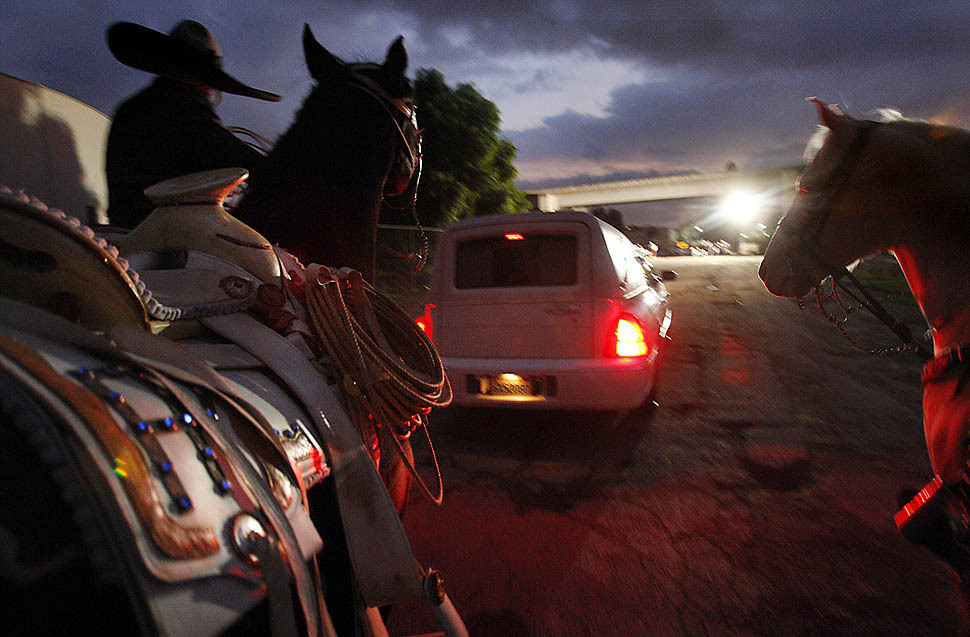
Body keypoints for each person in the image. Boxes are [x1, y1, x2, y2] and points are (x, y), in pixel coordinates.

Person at [104, 20, 280, 228]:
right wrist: (279, 173)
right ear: (199, 80)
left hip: (130, 224)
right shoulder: (181, 108)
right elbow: (223, 150)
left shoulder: (134, 107)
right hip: (162, 227)